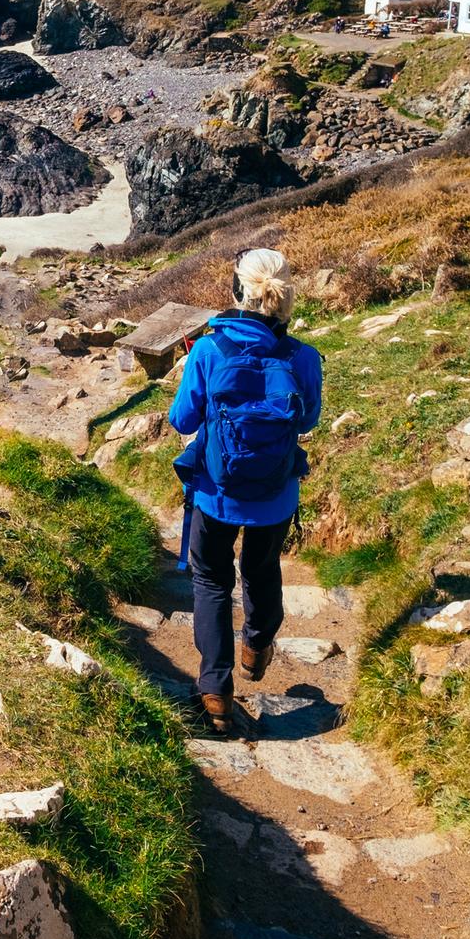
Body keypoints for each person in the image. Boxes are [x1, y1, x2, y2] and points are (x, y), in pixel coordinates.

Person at [167, 248, 322, 736]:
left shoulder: (210, 350)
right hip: (275, 493)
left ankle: (215, 690)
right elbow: (309, 420)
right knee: (261, 568)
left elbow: (182, 420)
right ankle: (256, 644)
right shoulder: (302, 357)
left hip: (215, 493)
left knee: (211, 580)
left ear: (237, 289)